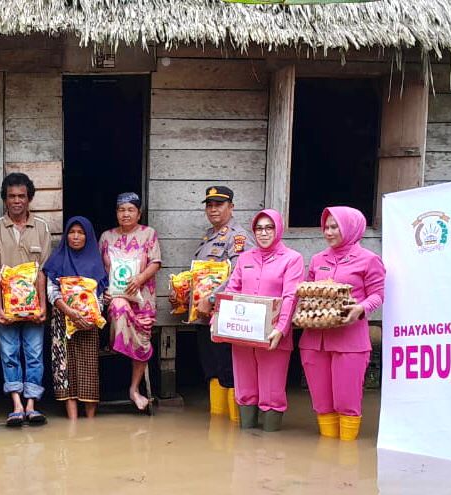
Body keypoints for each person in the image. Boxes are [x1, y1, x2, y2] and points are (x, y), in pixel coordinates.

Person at [299, 206, 385, 441]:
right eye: (326, 227)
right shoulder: (318, 259)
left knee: (346, 401)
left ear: (350, 227)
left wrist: (361, 308)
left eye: (334, 226)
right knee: (322, 402)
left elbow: (378, 294)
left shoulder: (369, 260)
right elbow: (307, 292)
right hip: (315, 340)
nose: (328, 232)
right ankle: (329, 456)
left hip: (350, 341)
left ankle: (346, 461)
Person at [170, 185, 255, 422]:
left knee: (228, 369)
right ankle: (218, 423)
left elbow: (240, 274)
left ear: (231, 207)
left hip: (225, 314)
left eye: (219, 204)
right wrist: (183, 292)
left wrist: (212, 299)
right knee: (212, 368)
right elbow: (204, 276)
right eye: (209, 205)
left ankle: (237, 425)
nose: (213, 209)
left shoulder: (238, 237)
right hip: (204, 316)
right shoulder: (209, 236)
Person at [225, 209, 304, 432]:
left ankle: (270, 444)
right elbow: (232, 290)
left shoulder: (292, 259)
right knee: (244, 387)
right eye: (259, 228)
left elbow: (291, 295)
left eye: (269, 227)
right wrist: (219, 319)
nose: (264, 232)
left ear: (278, 229)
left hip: (273, 335)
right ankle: (246, 441)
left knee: (272, 389)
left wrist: (280, 328)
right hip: (243, 333)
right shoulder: (245, 258)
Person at [0, 172, 51, 427]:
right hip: (8, 307)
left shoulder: (42, 228)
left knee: (34, 353)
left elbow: (43, 271)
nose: (16, 201)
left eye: (21, 196)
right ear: (5, 199)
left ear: (30, 198)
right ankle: (16, 405)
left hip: (34, 306)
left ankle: (32, 405)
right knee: (9, 352)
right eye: (11, 196)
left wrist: (44, 306)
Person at [99, 192, 162, 411]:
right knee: (118, 305)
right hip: (115, 297)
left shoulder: (148, 234)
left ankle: (134, 389)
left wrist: (140, 278)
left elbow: (155, 262)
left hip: (143, 299)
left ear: (138, 213)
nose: (125, 214)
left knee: (143, 340)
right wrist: (104, 292)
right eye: (121, 210)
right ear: (116, 213)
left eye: (130, 210)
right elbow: (99, 269)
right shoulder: (106, 237)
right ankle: (119, 343)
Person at [43, 216, 108, 421]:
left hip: (89, 322)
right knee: (65, 369)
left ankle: (89, 421)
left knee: (89, 368)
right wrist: (70, 312)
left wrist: (91, 315)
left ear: (88, 237)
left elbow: (100, 297)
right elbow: (52, 292)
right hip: (62, 322)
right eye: (72, 232)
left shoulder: (96, 263)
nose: (76, 236)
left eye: (81, 233)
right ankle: (72, 421)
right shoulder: (57, 259)